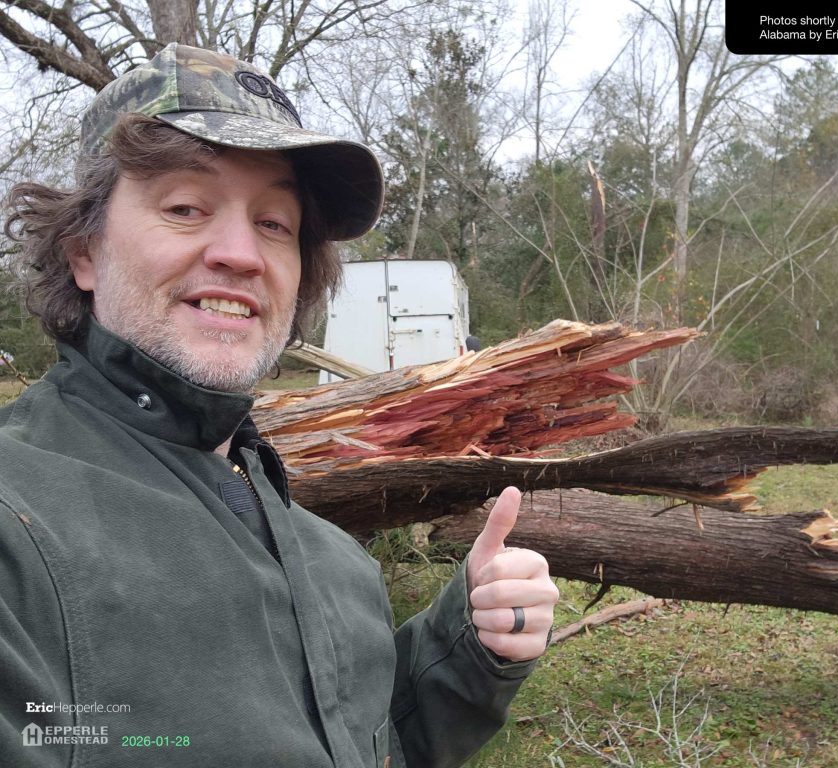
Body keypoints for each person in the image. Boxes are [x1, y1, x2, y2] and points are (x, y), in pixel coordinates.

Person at [0, 43, 558, 768]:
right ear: (83, 252)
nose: (240, 252)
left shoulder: (337, 566)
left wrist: (467, 649)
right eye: (185, 206)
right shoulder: (17, 529)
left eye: (274, 224)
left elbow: (366, 749)